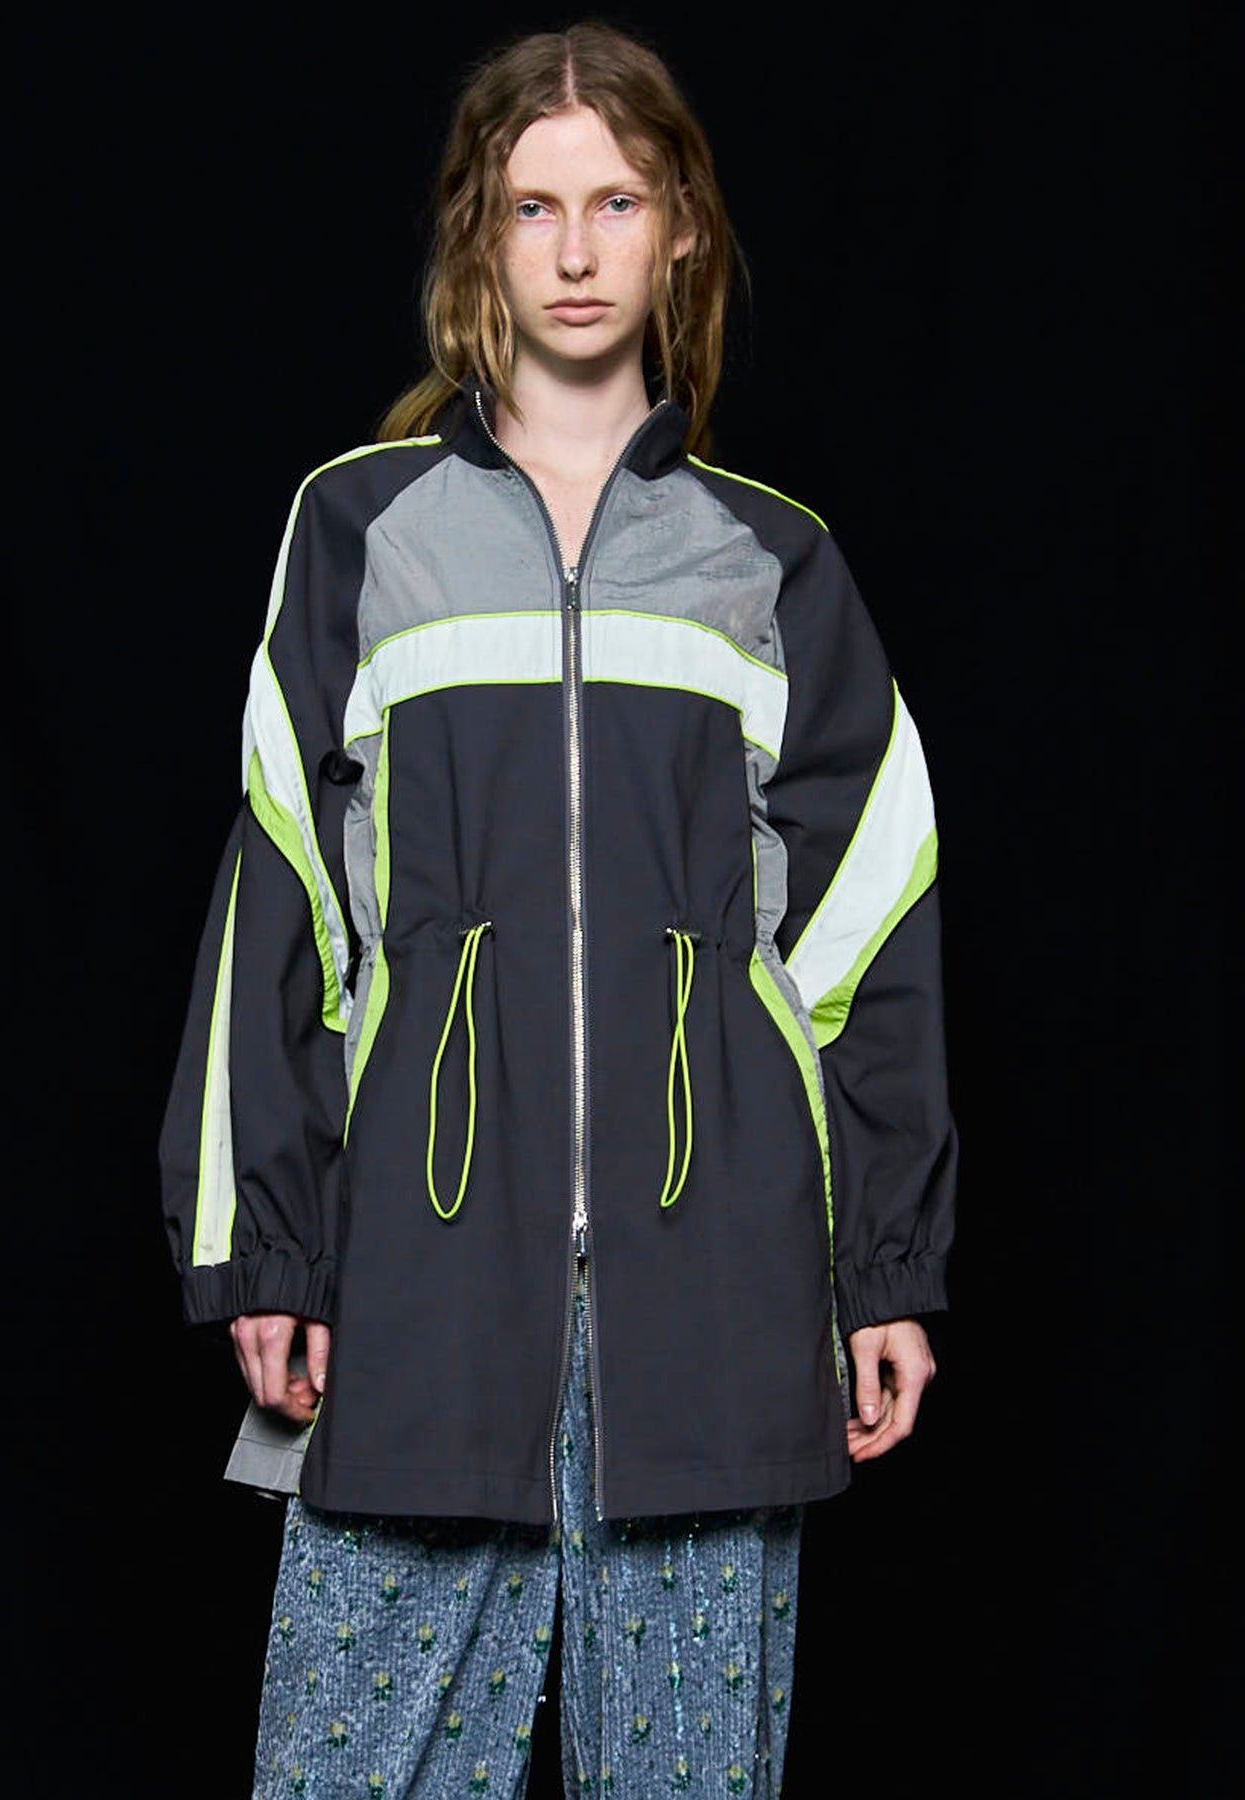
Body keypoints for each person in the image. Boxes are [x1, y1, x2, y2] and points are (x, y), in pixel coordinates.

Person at [160, 21, 956, 1798]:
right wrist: (270, 1251)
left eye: (617, 202)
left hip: (718, 1287)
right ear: (482, 234)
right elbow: (282, 891)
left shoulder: (775, 560)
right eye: (535, 206)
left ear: (680, 232)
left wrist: (885, 1272)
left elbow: (870, 926)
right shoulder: (362, 529)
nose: (577, 249)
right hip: (429, 1269)